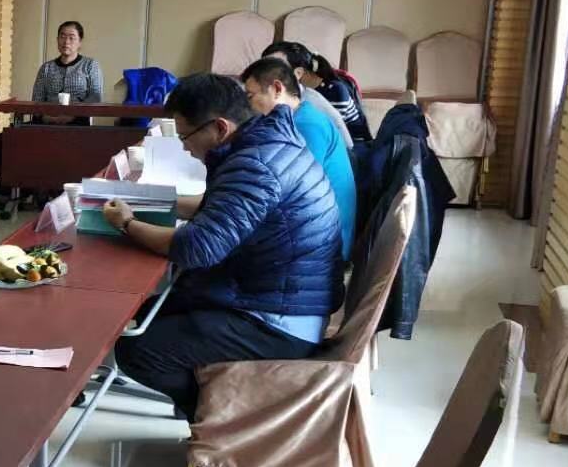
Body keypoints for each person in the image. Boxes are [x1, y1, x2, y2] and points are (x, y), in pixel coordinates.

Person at [104, 73, 342, 421]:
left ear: (218, 128)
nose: (185, 147)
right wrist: (153, 202)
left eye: (185, 136)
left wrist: (127, 224)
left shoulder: (254, 165)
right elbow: (220, 207)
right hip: (280, 295)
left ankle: (225, 417)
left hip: (280, 321)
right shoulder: (267, 142)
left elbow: (197, 248)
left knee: (137, 349)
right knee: (150, 307)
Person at [241, 57, 357, 260]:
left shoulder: (306, 125)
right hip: (312, 232)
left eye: (250, 96)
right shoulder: (297, 117)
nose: (248, 105)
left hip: (324, 248)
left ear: (277, 89)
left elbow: (287, 192)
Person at [263, 40, 371, 146]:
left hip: (353, 146)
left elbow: (335, 135)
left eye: (275, 69)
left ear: (299, 73)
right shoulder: (286, 93)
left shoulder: (331, 92)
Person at [31, 21, 103, 125]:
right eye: (62, 37)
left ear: (80, 42)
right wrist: (47, 117)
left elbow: (95, 98)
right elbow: (37, 99)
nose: (66, 42)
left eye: (71, 38)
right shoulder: (46, 68)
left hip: (78, 120)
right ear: (57, 40)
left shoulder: (90, 65)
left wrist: (72, 116)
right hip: (47, 121)